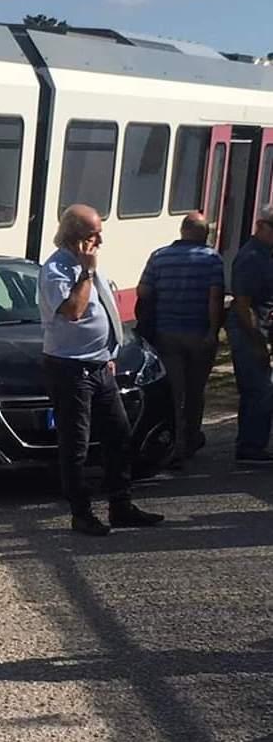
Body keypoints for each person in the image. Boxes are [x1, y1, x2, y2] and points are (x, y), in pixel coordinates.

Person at [39, 204, 164, 536]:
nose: (100, 241)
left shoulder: (88, 264)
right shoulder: (58, 270)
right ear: (76, 237)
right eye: (95, 234)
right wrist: (87, 271)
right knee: (76, 444)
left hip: (99, 367)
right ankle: (81, 512)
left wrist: (110, 351)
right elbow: (75, 312)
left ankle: (121, 506)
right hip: (70, 369)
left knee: (119, 436)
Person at [136, 212, 224, 467]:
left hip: (166, 333)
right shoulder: (212, 259)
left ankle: (174, 444)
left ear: (182, 230)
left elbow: (144, 291)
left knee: (175, 392)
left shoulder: (159, 256)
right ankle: (191, 438)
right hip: (198, 334)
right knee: (195, 392)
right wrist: (213, 332)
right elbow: (215, 298)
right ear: (204, 234)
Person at [226, 204, 273, 462]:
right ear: (261, 226)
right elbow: (243, 304)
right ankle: (250, 446)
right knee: (261, 388)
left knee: (258, 388)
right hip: (248, 329)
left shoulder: (266, 253)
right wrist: (257, 340)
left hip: (260, 326)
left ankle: (250, 441)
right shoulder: (252, 257)